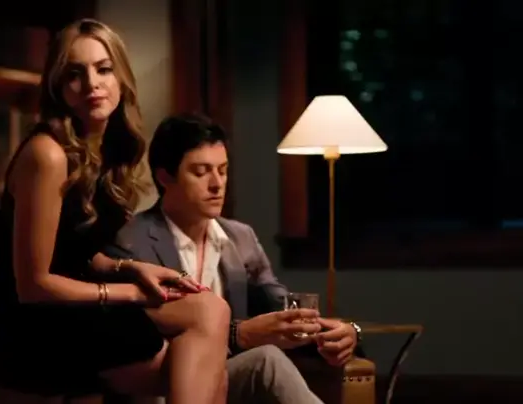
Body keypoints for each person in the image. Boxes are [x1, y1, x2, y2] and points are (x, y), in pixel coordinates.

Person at [0, 19, 230, 404]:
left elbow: (73, 247)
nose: (92, 84)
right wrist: (129, 293)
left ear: (121, 78)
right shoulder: (47, 155)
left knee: (213, 311)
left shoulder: (106, 147)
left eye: (103, 69)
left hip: (75, 302)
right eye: (75, 74)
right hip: (25, 320)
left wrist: (130, 268)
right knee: (206, 368)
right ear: (58, 86)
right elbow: (33, 284)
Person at [114, 113, 363, 404]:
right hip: (164, 384)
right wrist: (238, 335)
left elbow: (281, 306)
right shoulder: (132, 242)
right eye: (201, 172)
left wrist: (347, 332)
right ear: (165, 177)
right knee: (266, 360)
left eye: (222, 170)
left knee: (268, 359)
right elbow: (138, 340)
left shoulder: (240, 237)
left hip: (226, 381)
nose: (217, 184)